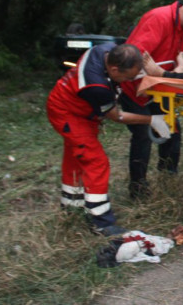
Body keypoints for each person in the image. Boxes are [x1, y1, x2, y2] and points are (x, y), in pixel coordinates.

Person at [46, 43, 171, 236]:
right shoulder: (97, 87)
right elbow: (116, 116)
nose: (130, 80)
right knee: (96, 162)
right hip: (68, 113)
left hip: (77, 108)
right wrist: (151, 120)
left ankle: (71, 208)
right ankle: (101, 222)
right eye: (128, 77)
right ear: (113, 69)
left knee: (76, 159)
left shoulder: (104, 50)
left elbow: (127, 73)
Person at [119, 0, 183, 199]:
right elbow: (134, 56)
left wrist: (178, 70)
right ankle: (138, 190)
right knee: (143, 134)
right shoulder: (158, 19)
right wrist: (152, 77)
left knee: (171, 129)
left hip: (158, 89)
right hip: (135, 89)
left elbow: (179, 57)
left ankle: (168, 179)